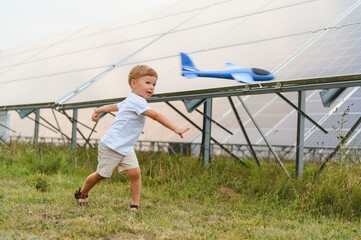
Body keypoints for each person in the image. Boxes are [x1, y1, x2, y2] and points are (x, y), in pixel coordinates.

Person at [74, 65, 190, 210]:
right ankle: (82, 193)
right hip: (112, 146)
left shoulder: (132, 100)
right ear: (133, 83)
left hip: (125, 147)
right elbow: (156, 115)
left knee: (135, 173)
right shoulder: (137, 101)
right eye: (147, 83)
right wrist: (175, 128)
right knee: (101, 175)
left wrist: (98, 109)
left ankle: (135, 205)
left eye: (154, 84)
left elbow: (115, 106)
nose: (152, 87)